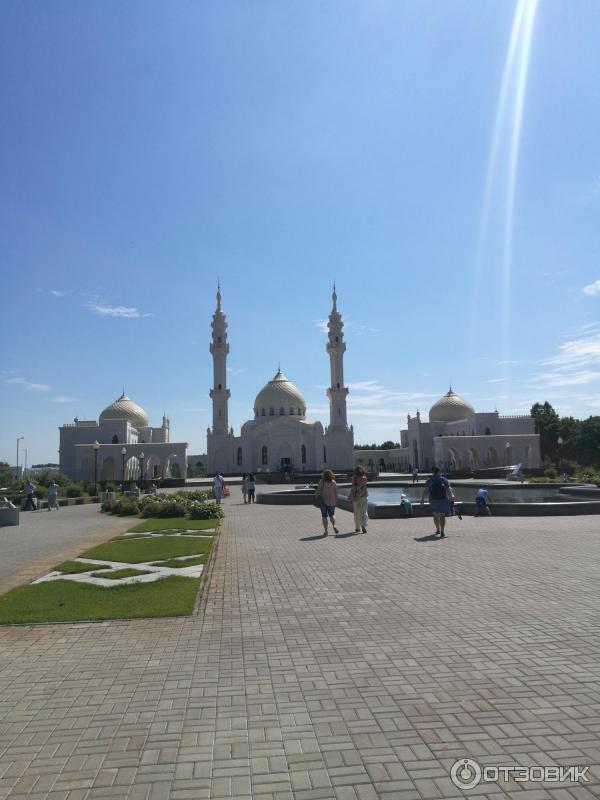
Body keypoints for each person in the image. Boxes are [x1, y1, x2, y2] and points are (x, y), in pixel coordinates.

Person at [420, 465, 451, 537]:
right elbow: (448, 490)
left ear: (432, 472)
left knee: (435, 515)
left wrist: (422, 499)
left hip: (433, 500)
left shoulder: (429, 480)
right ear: (439, 471)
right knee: (442, 515)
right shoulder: (444, 479)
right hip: (443, 499)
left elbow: (426, 491)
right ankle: (443, 531)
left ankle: (438, 529)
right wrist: (451, 497)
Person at [315, 469, 339, 535]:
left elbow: (318, 491)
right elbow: (336, 493)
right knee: (332, 515)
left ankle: (326, 531)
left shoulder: (321, 481)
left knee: (324, 516)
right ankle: (334, 525)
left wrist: (316, 497)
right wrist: (336, 500)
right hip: (332, 501)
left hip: (323, 501)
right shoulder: (334, 482)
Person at [349, 464, 369, 533]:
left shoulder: (354, 478)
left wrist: (352, 496)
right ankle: (363, 526)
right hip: (364, 496)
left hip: (356, 497)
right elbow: (364, 486)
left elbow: (353, 488)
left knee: (356, 513)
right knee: (363, 512)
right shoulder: (365, 478)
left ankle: (357, 528)